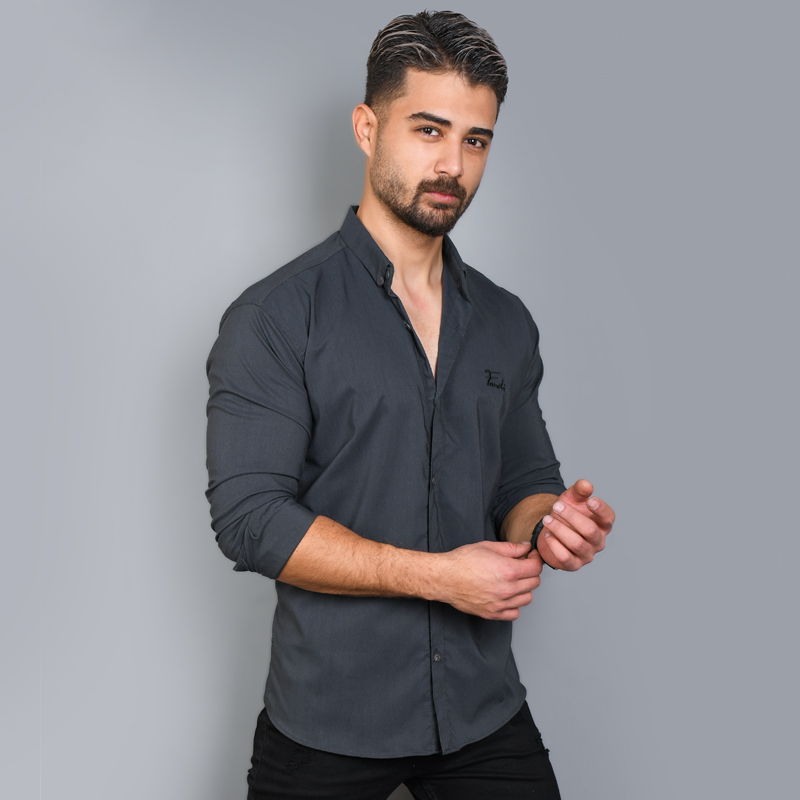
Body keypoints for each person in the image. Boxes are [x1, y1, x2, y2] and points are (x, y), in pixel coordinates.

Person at [206, 10, 615, 799]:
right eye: (429, 130)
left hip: (479, 709)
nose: (453, 164)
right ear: (368, 128)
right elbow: (251, 520)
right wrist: (439, 578)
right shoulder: (276, 317)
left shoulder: (505, 321)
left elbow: (522, 482)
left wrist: (550, 524)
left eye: (475, 140)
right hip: (326, 720)